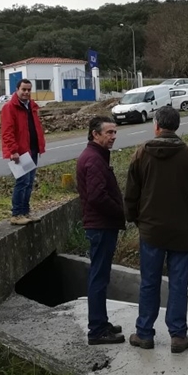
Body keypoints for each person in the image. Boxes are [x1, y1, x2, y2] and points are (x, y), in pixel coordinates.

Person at [124, 106, 188, 353]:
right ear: (177, 127)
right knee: (178, 284)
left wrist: (135, 219)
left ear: (156, 125)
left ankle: (144, 333)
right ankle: (178, 335)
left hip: (151, 231)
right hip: (182, 232)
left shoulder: (141, 154)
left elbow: (131, 194)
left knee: (149, 283)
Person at [76, 116, 126, 346]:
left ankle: (101, 322)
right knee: (98, 277)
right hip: (101, 225)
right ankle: (97, 329)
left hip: (101, 224)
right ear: (95, 134)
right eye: (109, 133)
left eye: (114, 132)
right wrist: (120, 211)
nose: (113, 136)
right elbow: (97, 197)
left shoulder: (96, 156)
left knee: (101, 276)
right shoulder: (94, 160)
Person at [1, 78, 46, 224]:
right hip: (20, 152)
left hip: (32, 149)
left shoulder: (31, 106)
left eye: (28, 90)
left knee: (29, 182)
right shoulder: (10, 107)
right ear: (17, 90)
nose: (26, 92)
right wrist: (13, 151)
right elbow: (7, 132)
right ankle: (16, 214)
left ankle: (25, 212)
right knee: (22, 182)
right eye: (23, 90)